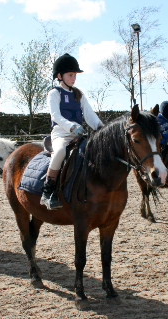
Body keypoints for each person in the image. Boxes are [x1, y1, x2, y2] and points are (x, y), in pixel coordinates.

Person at [41, 53, 104, 210]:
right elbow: (56, 115)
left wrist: (101, 127)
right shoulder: (54, 93)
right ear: (60, 76)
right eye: (70, 75)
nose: (74, 78)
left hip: (78, 133)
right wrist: (70, 126)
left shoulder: (78, 95)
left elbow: (90, 116)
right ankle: (47, 191)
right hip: (61, 133)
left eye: (75, 75)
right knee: (60, 152)